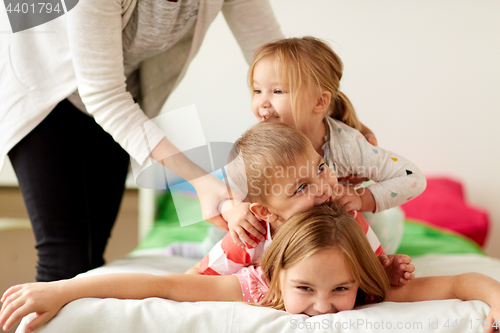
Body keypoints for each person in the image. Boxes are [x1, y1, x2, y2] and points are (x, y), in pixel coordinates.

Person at [0, 0, 284, 282]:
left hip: (120, 93)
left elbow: (281, 64)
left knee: (89, 259)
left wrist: (323, 120)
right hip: (44, 88)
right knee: (65, 259)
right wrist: (202, 182)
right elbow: (105, 97)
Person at [1, 202, 499, 333]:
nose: (323, 309)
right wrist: (64, 290)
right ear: (276, 274)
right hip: (249, 238)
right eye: (303, 288)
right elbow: (164, 287)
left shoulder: (370, 287)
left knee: (387, 230)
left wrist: (495, 302)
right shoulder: (254, 285)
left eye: (339, 290)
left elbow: (463, 280)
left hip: (365, 223)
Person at [223, 36, 426, 252]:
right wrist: (231, 210)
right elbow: (227, 188)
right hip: (291, 233)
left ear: (319, 102)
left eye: (278, 91)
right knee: (238, 224)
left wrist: (362, 198)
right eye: (257, 91)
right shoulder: (262, 143)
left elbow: (412, 177)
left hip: (337, 231)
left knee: (379, 228)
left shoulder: (348, 146)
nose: (262, 101)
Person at [191, 121, 413, 287]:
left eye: (320, 168)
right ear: (266, 212)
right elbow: (199, 278)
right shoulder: (252, 236)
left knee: (392, 217)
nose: (323, 186)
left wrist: (388, 273)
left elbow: (374, 268)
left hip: (389, 227)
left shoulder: (348, 216)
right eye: (301, 187)